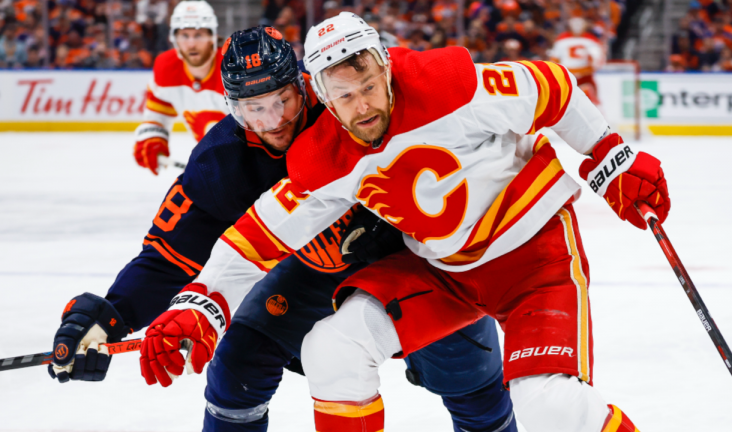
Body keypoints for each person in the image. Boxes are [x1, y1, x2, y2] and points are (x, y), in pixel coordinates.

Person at [149, 12, 671, 432]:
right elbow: (260, 234)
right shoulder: (327, 153)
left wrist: (608, 153)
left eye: (370, 85)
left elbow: (549, 89)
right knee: (331, 348)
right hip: (444, 273)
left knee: (548, 407)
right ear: (322, 98)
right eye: (345, 97)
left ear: (385, 68)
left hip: (533, 259)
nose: (364, 106)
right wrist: (204, 300)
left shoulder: (448, 84)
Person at [49, 26, 515, 432]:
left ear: (305, 85)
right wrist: (110, 315)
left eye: (283, 100)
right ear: (231, 107)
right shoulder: (221, 162)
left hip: (418, 264)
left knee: (472, 379)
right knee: (237, 367)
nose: (275, 122)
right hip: (313, 270)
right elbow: (169, 256)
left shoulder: (355, 107)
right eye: (255, 109)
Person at [133, 0, 228, 175]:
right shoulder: (166, 67)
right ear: (174, 38)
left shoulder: (233, 69)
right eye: (185, 35)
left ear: (213, 37)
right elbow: (157, 115)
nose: (191, 44)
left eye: (198, 35)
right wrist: (153, 137)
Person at [549, 17, 605, 105]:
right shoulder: (591, 39)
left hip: (579, 74)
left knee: (587, 99)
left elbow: (554, 59)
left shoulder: (562, 39)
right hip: (573, 74)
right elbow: (599, 58)